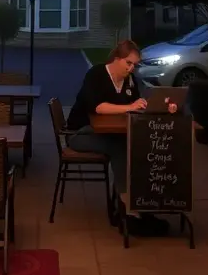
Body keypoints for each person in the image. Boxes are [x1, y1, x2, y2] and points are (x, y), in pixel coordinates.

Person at [67, 40, 175, 235]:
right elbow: (98, 107)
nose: (131, 68)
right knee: (119, 147)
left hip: (108, 132)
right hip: (80, 133)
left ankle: (134, 203)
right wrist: (130, 107)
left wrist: (165, 104)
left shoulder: (130, 80)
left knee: (135, 145)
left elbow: (142, 98)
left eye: (135, 65)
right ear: (117, 59)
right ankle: (129, 208)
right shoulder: (96, 75)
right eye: (128, 63)